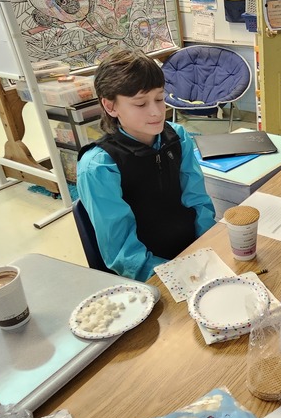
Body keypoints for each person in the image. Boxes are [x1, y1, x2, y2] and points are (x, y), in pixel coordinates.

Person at [76, 50, 216, 282]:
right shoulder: (100, 166)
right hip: (149, 272)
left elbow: (198, 201)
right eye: (140, 103)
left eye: (160, 98)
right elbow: (123, 253)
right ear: (110, 107)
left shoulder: (178, 136)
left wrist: (209, 246)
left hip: (194, 254)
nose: (156, 112)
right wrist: (175, 276)